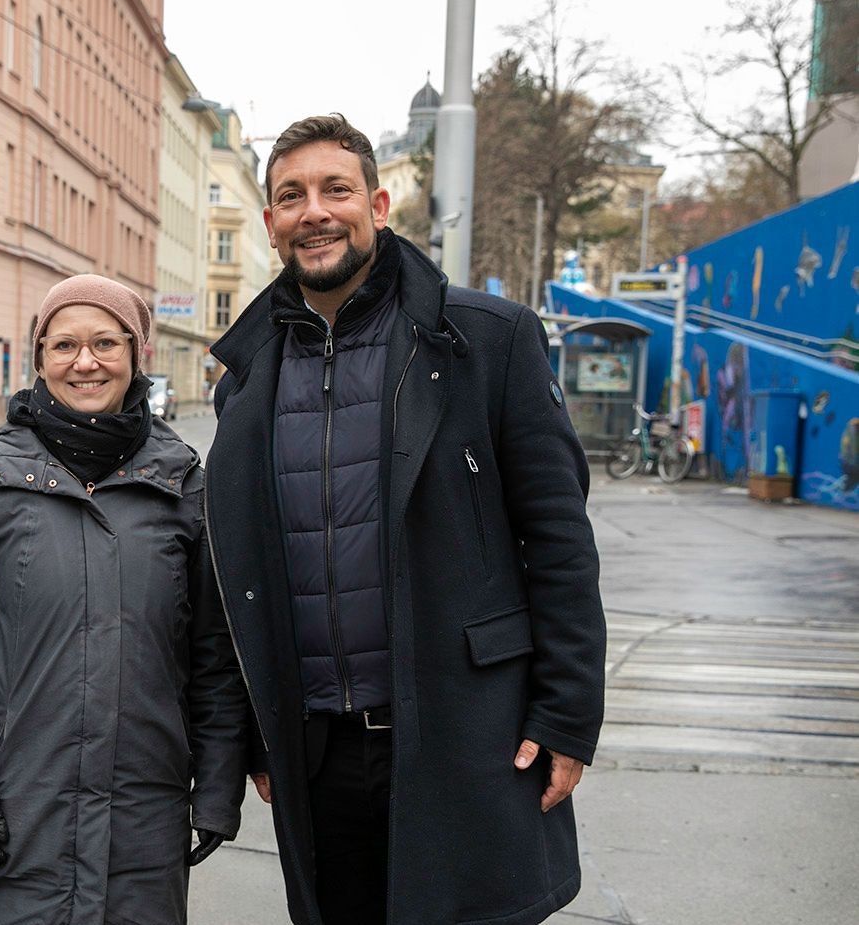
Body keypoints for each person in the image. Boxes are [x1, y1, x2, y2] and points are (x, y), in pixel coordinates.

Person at [204, 114, 605, 925]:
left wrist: (566, 714)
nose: (313, 210)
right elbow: (236, 573)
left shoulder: (486, 342)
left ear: (377, 205)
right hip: (316, 750)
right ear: (271, 223)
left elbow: (558, 540)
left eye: (334, 189)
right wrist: (256, 732)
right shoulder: (244, 380)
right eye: (290, 196)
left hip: (466, 731)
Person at [0, 275, 249, 924]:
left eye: (103, 343)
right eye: (63, 345)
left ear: (135, 352)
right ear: (38, 361)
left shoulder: (182, 485)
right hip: (14, 810)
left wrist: (219, 787)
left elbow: (214, 654)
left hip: (143, 823)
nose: (83, 361)